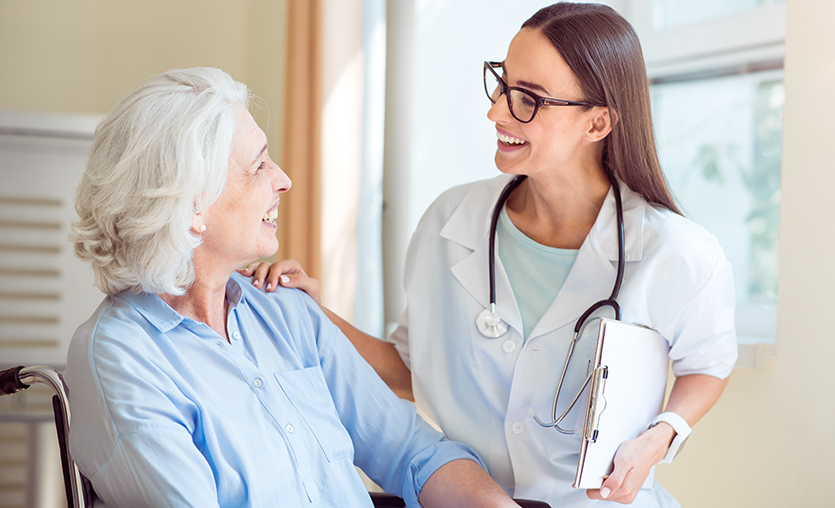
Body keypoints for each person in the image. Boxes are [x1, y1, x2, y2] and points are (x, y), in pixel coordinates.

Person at [248, 2, 738, 507]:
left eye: (529, 99)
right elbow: (408, 369)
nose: (496, 111)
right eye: (503, 85)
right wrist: (308, 314)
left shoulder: (675, 252)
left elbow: (708, 365)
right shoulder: (449, 222)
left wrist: (660, 436)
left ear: (597, 124)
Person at [63, 67, 521, 508]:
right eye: (258, 165)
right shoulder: (122, 354)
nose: (283, 180)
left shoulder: (285, 312)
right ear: (191, 206)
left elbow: (413, 453)